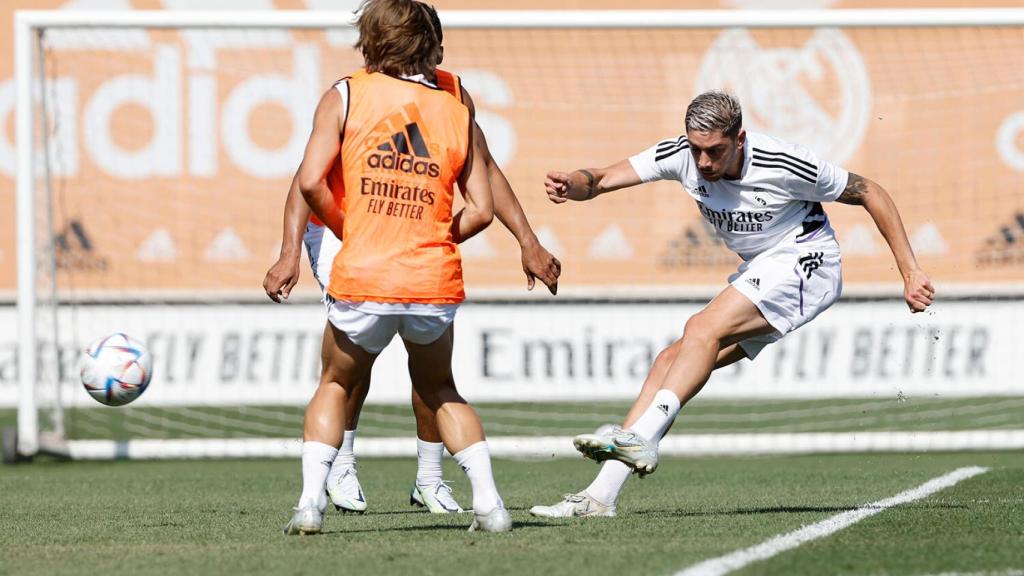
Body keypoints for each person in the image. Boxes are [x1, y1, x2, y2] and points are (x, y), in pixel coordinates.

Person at [530, 90, 935, 518]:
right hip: (764, 268)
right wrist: (572, 184)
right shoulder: (681, 156)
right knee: (670, 360)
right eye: (696, 150)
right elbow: (601, 179)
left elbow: (871, 191)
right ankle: (600, 497)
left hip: (807, 261)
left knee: (702, 329)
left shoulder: (783, 162)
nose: (704, 163)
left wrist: (910, 272)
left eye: (715, 151)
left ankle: (642, 437)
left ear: (739, 139)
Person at [264, 3, 559, 517]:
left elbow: (485, 168)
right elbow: (306, 182)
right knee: (402, 366)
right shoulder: (355, 92)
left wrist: (528, 240)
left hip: (391, 237)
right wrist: (293, 250)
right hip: (343, 227)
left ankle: (427, 477)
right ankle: (344, 463)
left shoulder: (449, 94)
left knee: (355, 358)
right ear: (430, 45)